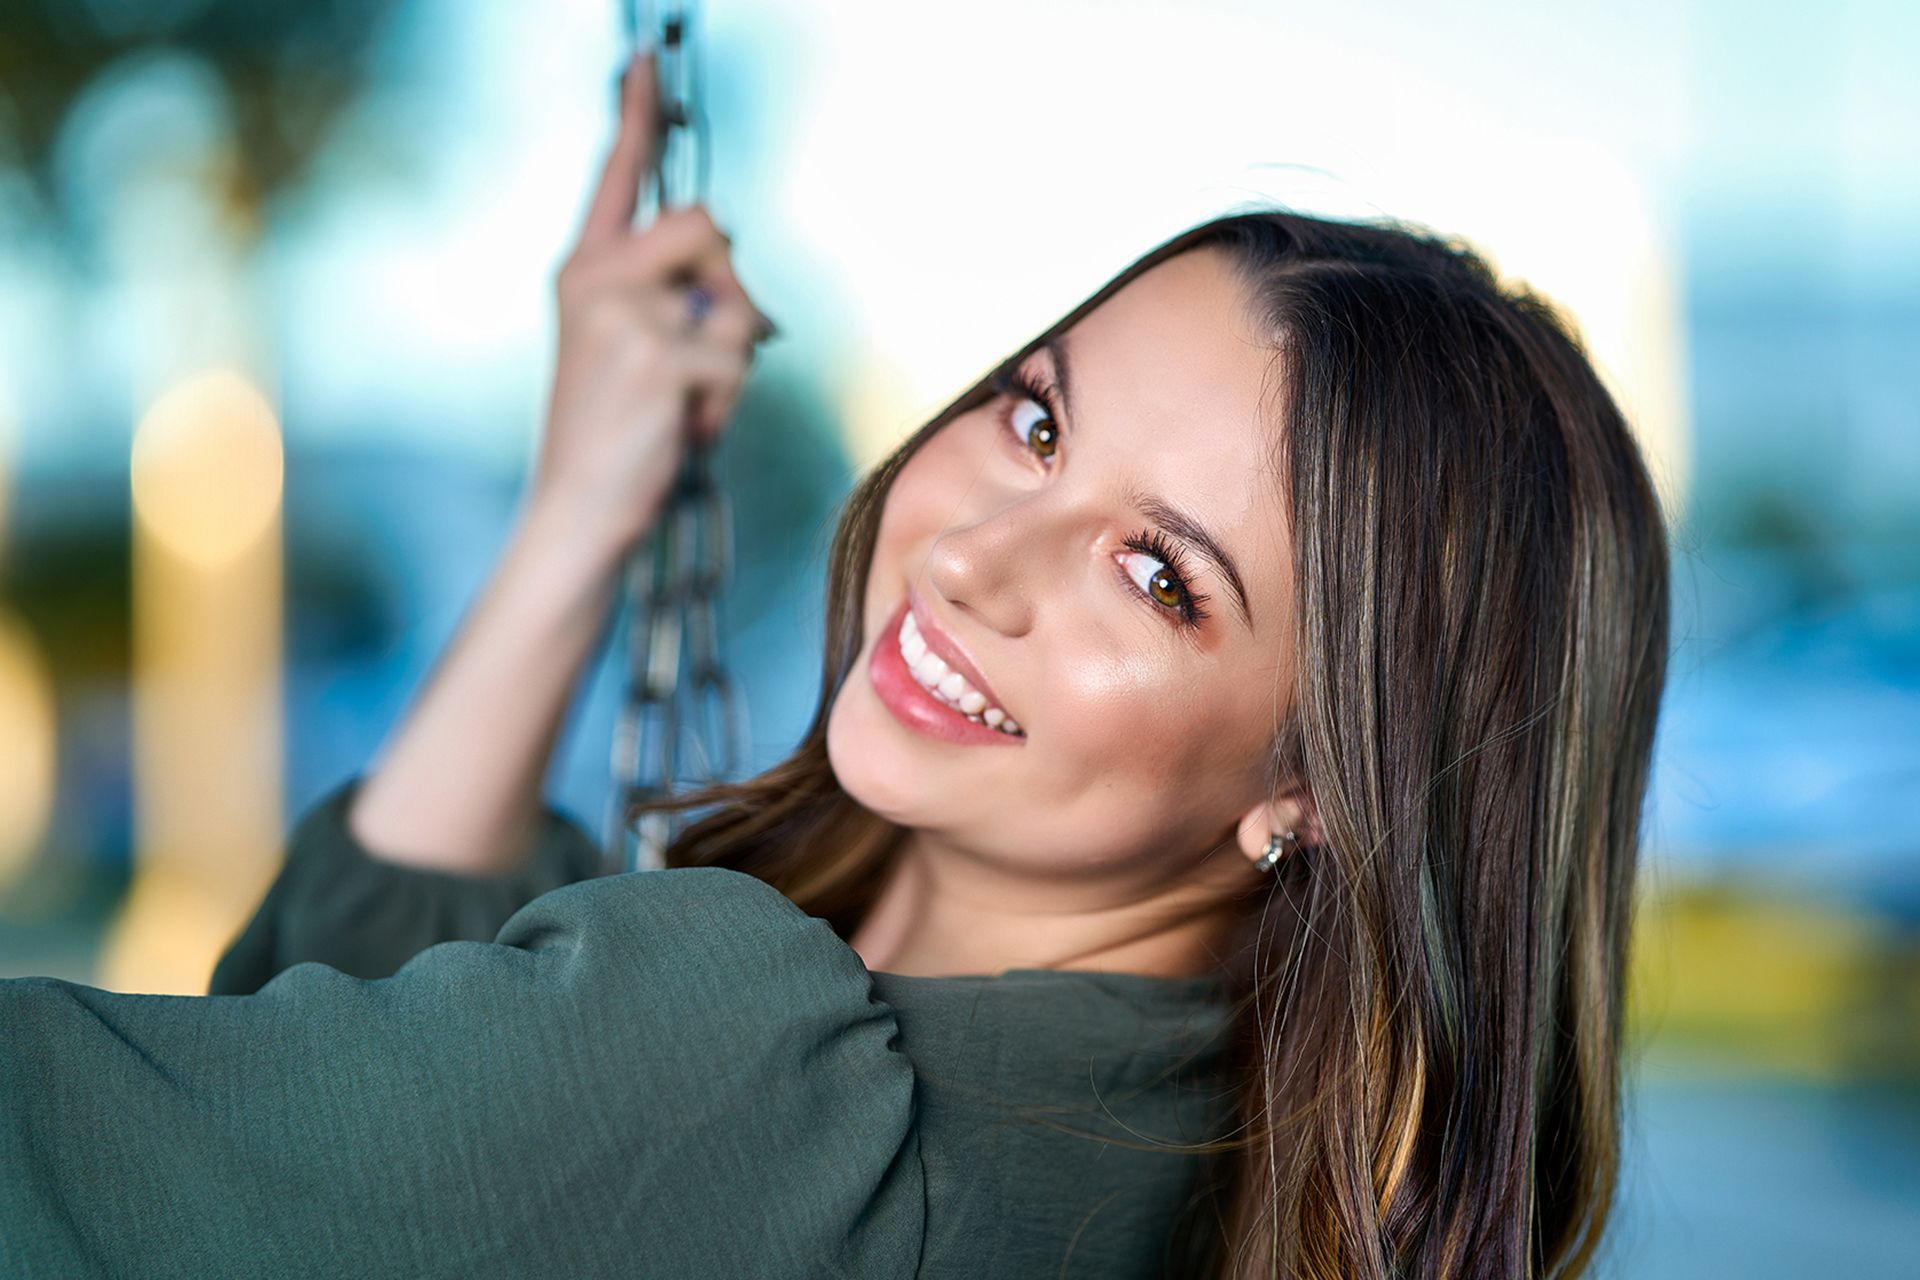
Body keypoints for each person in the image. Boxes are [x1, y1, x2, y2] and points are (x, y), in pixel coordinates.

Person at [1, 48, 1671, 1280]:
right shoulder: (1178, 1168)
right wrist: (584, 508)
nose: (968, 556)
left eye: (1158, 574)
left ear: (1319, 786)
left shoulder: (754, 1083)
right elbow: (371, 1063)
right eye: (1036, 420)